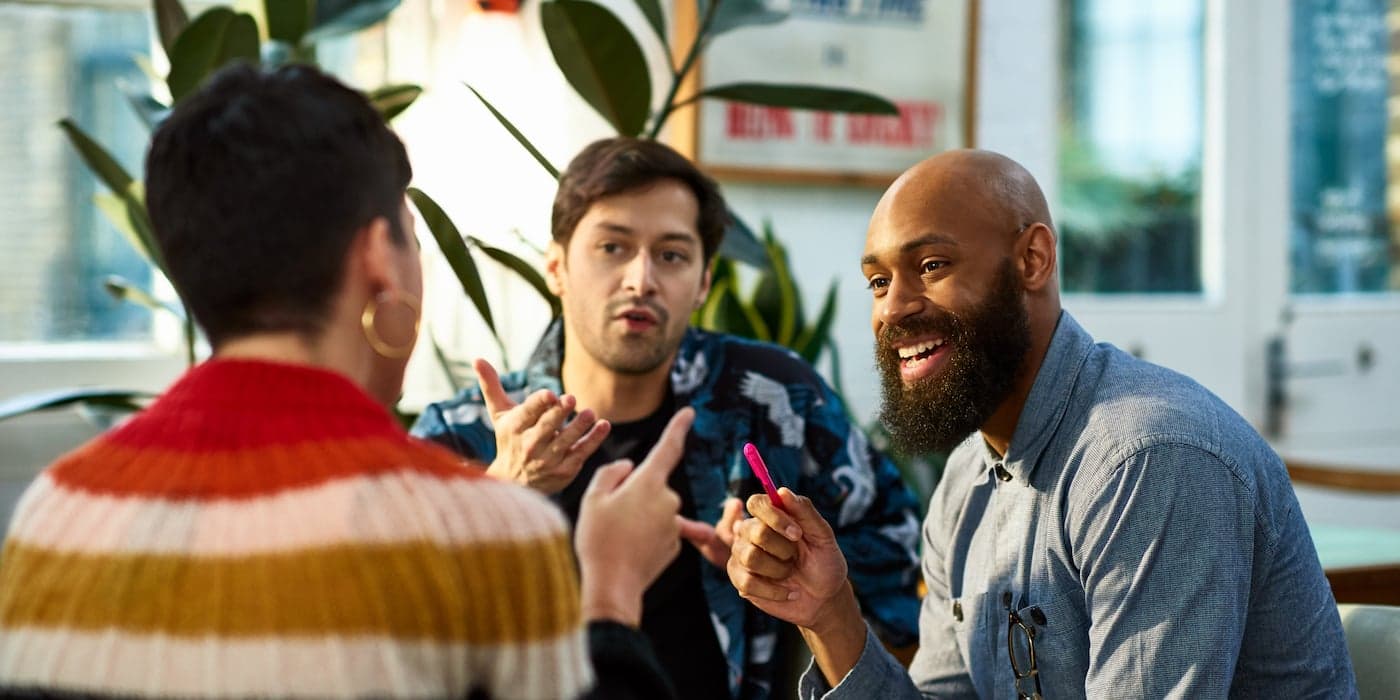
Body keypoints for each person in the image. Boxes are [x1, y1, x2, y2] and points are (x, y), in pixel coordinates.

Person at [0, 64, 687, 699]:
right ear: (378, 258)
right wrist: (611, 593)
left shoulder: (56, 510)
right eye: (411, 237)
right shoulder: (494, 535)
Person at [726, 149, 1358, 698]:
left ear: (1032, 260)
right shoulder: (966, 480)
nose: (893, 307)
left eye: (933, 267)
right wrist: (830, 615)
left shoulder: (1146, 459)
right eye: (878, 281)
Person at [412, 137, 923, 699]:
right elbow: (376, 635)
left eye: (672, 255)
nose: (641, 279)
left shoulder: (775, 400)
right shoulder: (461, 434)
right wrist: (497, 494)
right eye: (612, 247)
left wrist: (787, 562)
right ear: (556, 267)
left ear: (704, 282)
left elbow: (902, 573)